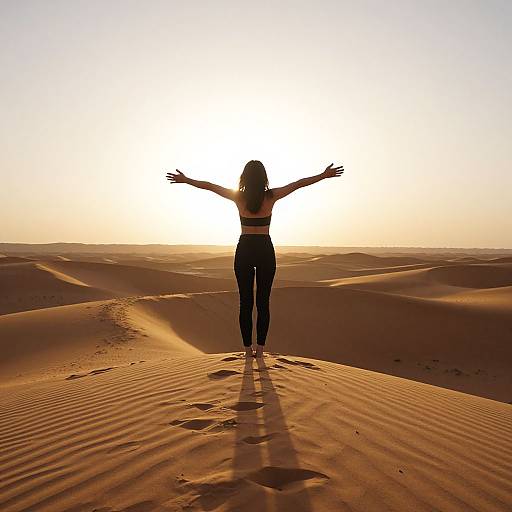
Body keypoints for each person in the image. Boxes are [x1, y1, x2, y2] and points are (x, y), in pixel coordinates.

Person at [166, 160, 344, 358]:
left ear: (244, 177)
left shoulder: (238, 197)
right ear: (264, 177)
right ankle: (260, 350)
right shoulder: (272, 196)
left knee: (245, 302)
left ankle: (246, 349)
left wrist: (186, 180)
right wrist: (322, 175)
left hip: (245, 249)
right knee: (263, 303)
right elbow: (298, 184)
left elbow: (210, 187)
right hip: (265, 249)